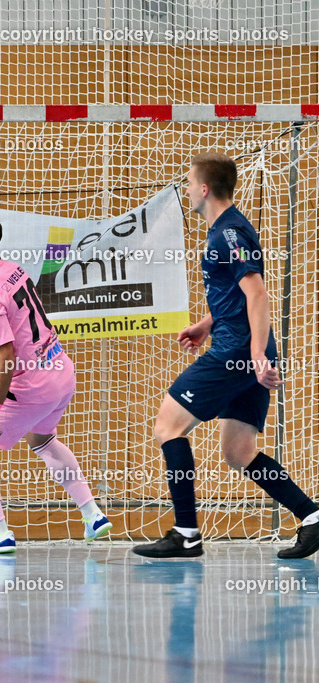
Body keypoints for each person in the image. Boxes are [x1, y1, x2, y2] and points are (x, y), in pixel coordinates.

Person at [133, 152, 319, 559]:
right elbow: (235, 296)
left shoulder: (228, 233)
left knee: (167, 426)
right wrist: (207, 323)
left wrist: (254, 352)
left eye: (188, 183)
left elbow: (257, 293)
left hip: (236, 352)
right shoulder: (224, 231)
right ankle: (311, 517)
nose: (185, 190)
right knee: (239, 453)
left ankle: (186, 533)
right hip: (236, 345)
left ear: (203, 189)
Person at [0, 213, 111, 554]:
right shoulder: (13, 270)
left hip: (31, 386)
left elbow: (6, 355)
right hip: (61, 372)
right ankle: (92, 514)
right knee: (42, 439)